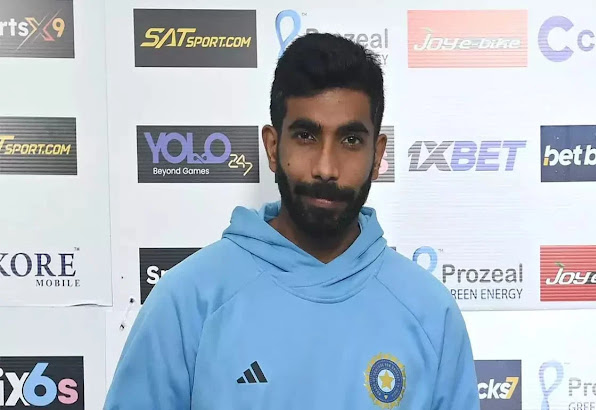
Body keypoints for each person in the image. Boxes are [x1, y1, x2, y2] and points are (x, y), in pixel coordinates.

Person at [104, 33, 479, 410]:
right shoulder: (187, 300)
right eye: (306, 136)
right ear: (272, 147)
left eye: (350, 140)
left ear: (377, 155)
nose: (326, 168)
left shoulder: (431, 312)